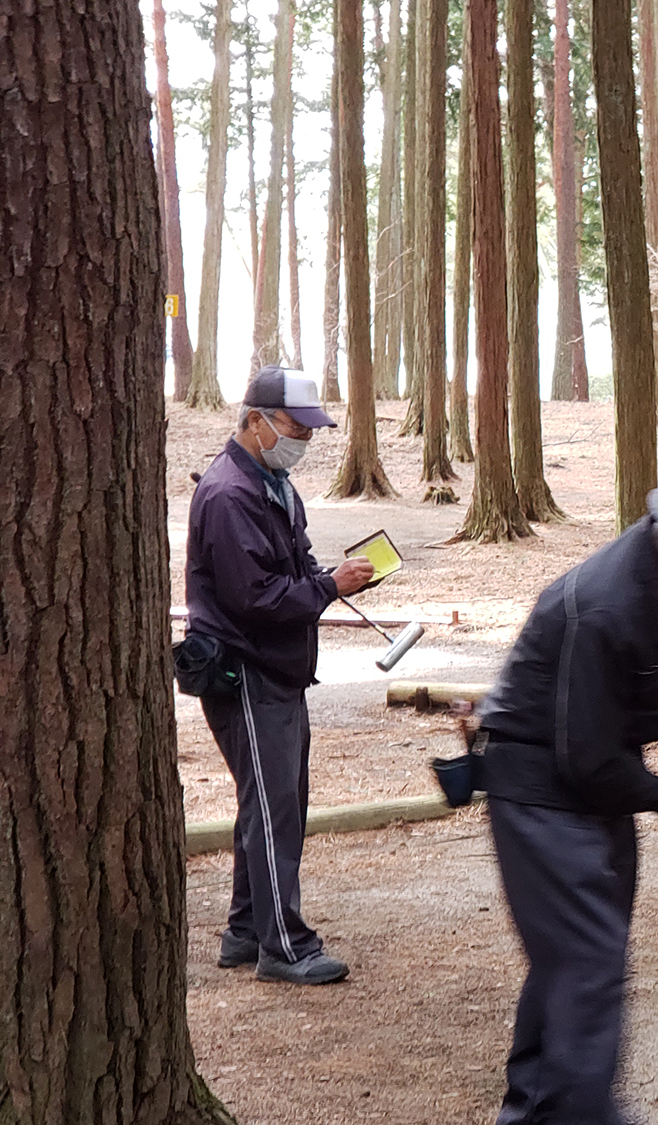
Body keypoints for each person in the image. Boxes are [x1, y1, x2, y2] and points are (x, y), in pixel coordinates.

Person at [474, 460, 658, 1125]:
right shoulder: (606, 602)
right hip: (541, 794)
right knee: (586, 961)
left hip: (597, 786)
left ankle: (532, 1111)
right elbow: (584, 757)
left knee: (572, 956)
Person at [185, 366, 374, 986]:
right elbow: (255, 600)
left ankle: (244, 930)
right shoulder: (228, 494)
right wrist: (325, 587)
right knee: (274, 812)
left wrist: (331, 576)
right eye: (296, 427)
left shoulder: (274, 483)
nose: (304, 440)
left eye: (310, 430)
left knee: (270, 803)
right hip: (245, 674)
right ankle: (284, 946)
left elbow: (290, 565)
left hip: (279, 673)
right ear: (256, 421)